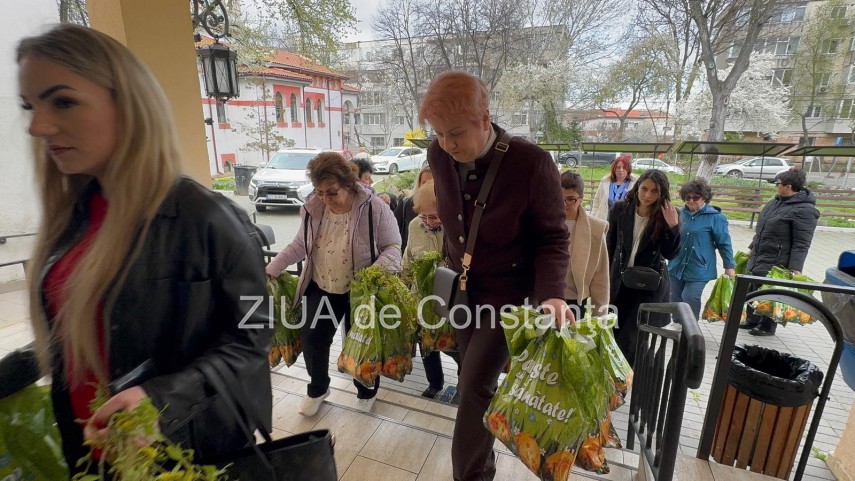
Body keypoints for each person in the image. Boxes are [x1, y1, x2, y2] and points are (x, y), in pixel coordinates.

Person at [4, 24, 272, 473]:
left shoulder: (206, 218)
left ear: (128, 103)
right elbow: (75, 333)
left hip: (177, 458)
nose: (37, 126)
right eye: (30, 106)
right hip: (90, 457)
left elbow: (254, 334)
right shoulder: (72, 220)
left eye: (63, 101)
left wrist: (159, 400)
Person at [418, 70, 572, 481]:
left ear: (484, 119)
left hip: (508, 298)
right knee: (473, 381)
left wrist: (553, 294)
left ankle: (468, 476)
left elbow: (553, 236)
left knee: (473, 389)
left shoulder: (530, 162)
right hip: (462, 293)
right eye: (439, 134)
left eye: (456, 133)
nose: (447, 144)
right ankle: (483, 468)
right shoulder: (438, 155)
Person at [266, 152, 401, 414]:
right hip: (322, 285)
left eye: (332, 192)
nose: (325, 198)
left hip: (361, 291)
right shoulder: (313, 208)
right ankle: (318, 388)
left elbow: (393, 246)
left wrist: (374, 272)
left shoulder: (373, 207)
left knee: (362, 342)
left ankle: (366, 389)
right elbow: (300, 245)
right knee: (312, 339)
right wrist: (273, 268)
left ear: (348, 184)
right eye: (319, 192)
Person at [606, 169, 680, 366]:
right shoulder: (620, 210)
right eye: (644, 189)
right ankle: (614, 375)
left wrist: (673, 227)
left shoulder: (668, 214)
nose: (648, 195)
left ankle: (624, 379)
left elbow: (670, 254)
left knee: (631, 340)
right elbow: (610, 246)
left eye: (655, 191)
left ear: (662, 193)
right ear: (637, 187)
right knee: (613, 331)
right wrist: (604, 278)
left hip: (647, 287)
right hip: (620, 283)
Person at [402, 180, 461, 398]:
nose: (428, 222)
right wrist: (404, 284)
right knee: (425, 344)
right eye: (424, 216)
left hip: (450, 297)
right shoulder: (415, 225)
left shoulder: (457, 227)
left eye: (434, 217)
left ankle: (464, 385)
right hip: (421, 296)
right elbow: (408, 256)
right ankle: (434, 384)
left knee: (455, 346)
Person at [742, 168, 819, 336]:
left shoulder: (805, 210)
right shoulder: (775, 202)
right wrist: (751, 247)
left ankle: (767, 326)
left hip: (778, 258)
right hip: (760, 253)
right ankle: (752, 320)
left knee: (771, 291)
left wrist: (795, 268)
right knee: (754, 286)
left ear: (788, 186)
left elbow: (802, 243)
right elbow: (762, 230)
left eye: (778, 183)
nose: (775, 186)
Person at [668, 178, 737, 320]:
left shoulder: (716, 218)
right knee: (674, 296)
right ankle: (677, 323)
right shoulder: (679, 214)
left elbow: (724, 243)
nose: (691, 201)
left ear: (704, 198)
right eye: (687, 197)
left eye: (696, 197)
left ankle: (690, 326)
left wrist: (729, 266)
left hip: (699, 267)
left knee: (690, 296)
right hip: (677, 264)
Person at [560, 171, 610, 318]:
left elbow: (600, 276)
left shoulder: (595, 229)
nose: (564, 204)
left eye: (570, 199)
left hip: (575, 300)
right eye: (560, 198)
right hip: (545, 296)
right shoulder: (544, 223)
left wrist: (600, 317)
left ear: (581, 198)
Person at [394, 165, 433, 252]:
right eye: (424, 183)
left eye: (432, 183)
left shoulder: (445, 208)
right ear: (419, 184)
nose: (427, 187)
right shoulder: (406, 204)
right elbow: (392, 233)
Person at [592, 154, 636, 220]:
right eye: (618, 167)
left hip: (625, 221)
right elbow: (596, 201)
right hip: (605, 220)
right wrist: (593, 218)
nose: (621, 170)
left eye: (624, 167)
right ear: (614, 169)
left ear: (628, 169)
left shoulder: (634, 183)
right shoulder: (605, 181)